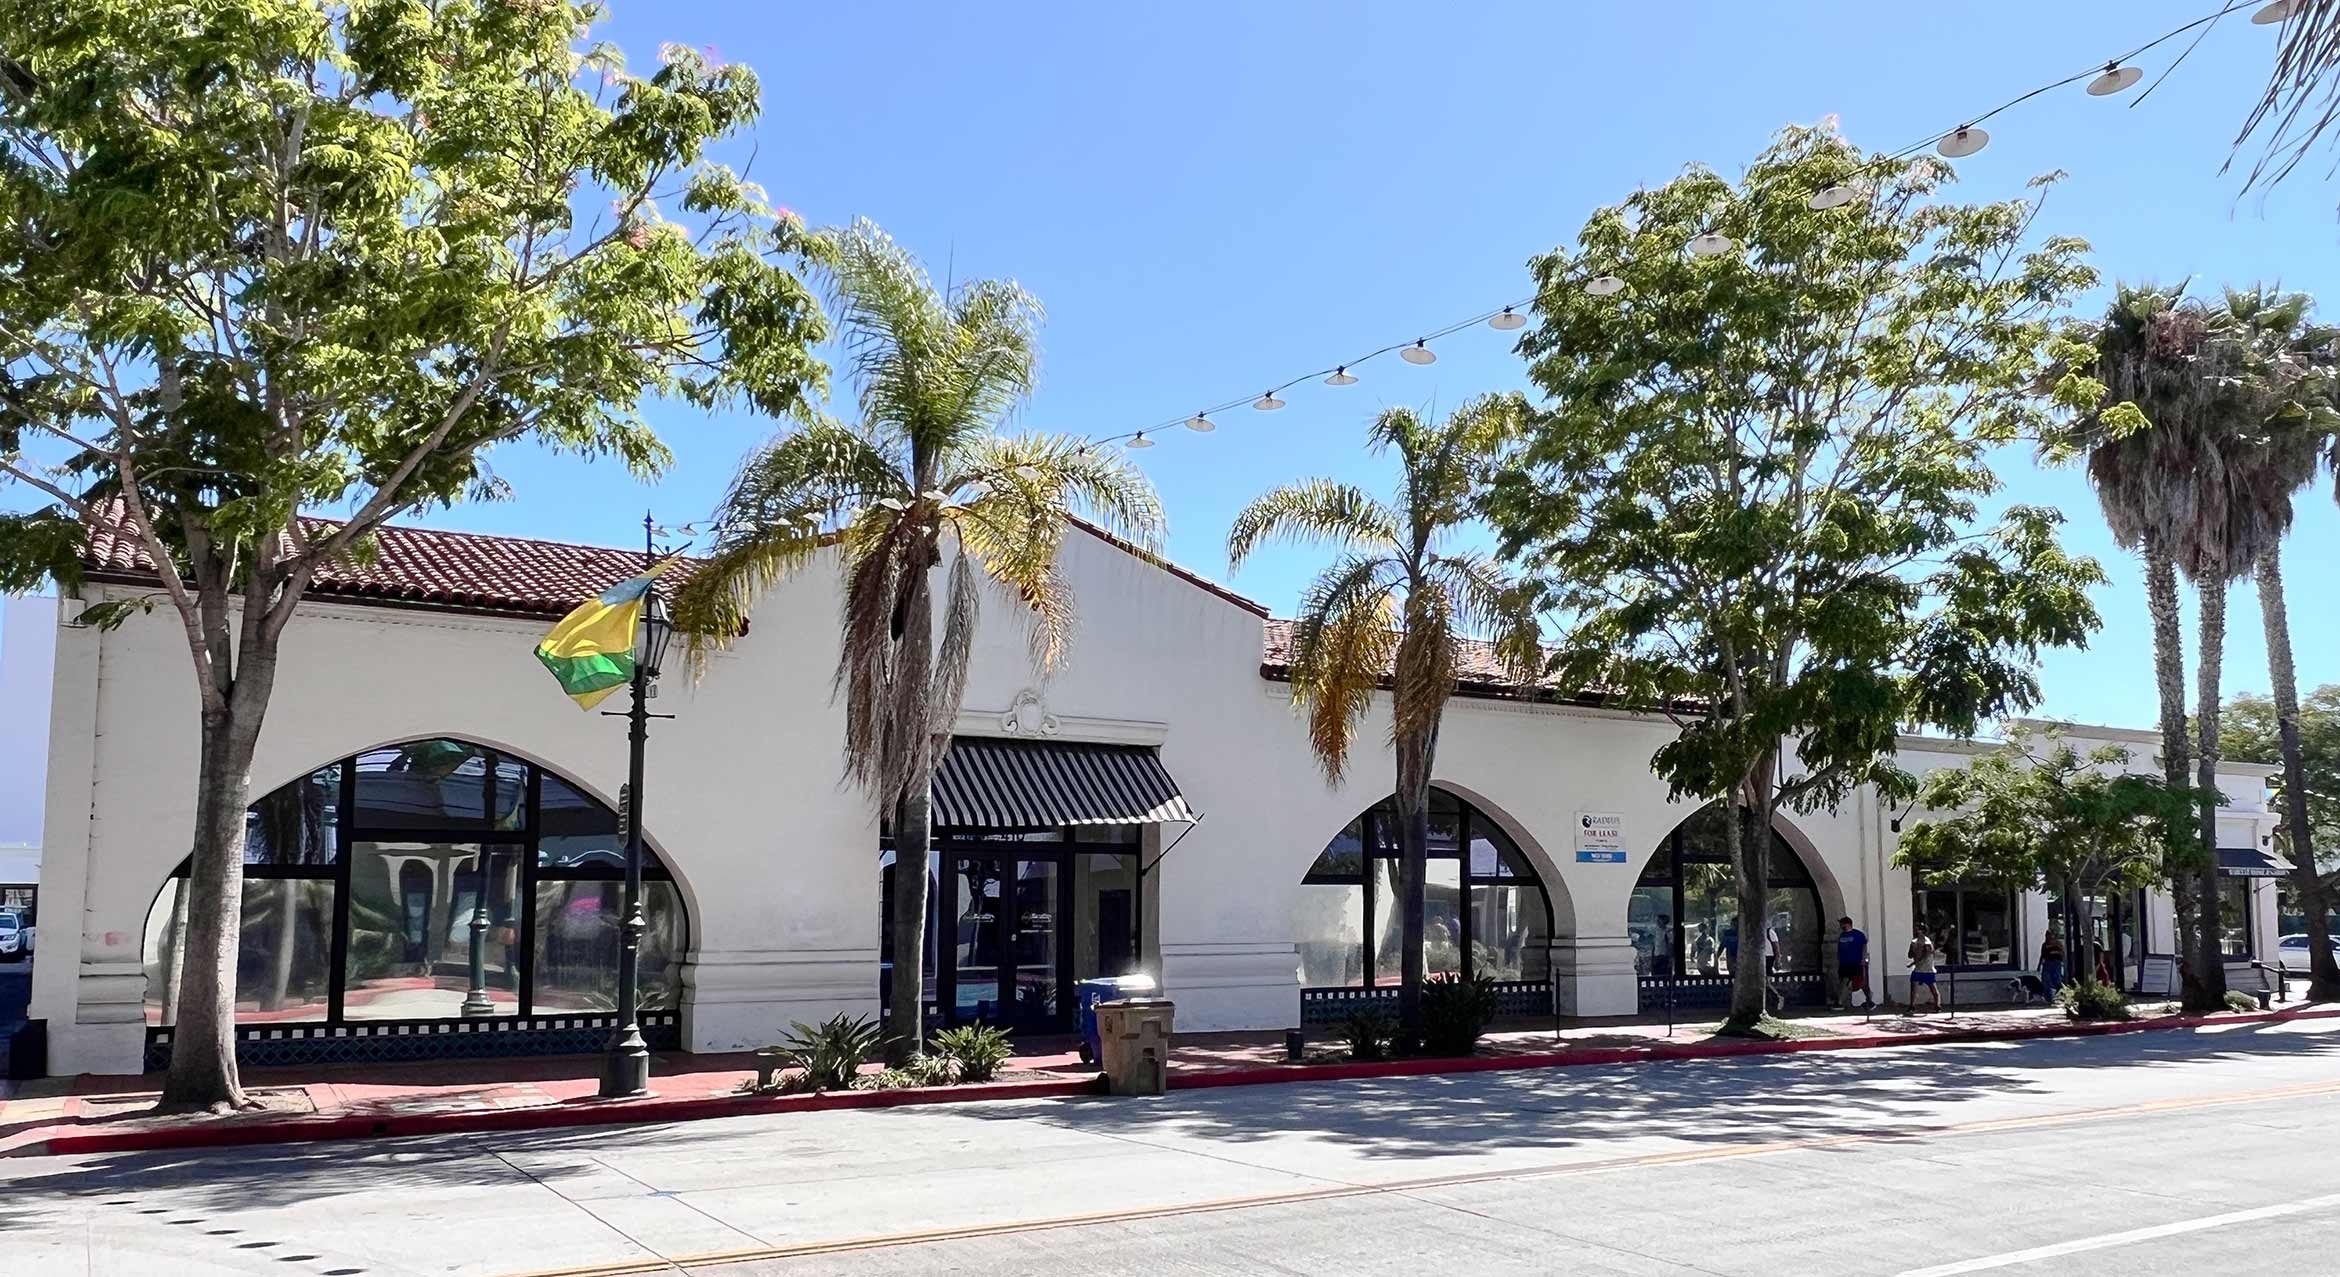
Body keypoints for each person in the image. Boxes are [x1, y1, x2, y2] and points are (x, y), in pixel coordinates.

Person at [1836, 915, 1873, 1011]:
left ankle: (1869, 1000)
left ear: (1847, 924)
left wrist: (1863, 959)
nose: (1840, 926)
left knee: (1860, 983)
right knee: (1844, 981)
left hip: (1855, 962)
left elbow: (1864, 946)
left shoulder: (1858, 934)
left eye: (1842, 924)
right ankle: (1840, 1002)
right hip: (1844, 963)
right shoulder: (1842, 936)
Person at [1908, 922, 1942, 1013]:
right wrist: (1913, 951)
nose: (1915, 930)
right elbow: (1910, 954)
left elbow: (1927, 954)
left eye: (1917, 929)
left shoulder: (1927, 942)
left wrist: (1914, 962)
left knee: (1933, 988)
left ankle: (1937, 1005)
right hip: (1918, 968)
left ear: (1922, 931)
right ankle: (1912, 1005)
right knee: (1913, 986)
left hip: (1927, 969)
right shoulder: (1914, 942)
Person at [2038, 928, 2067, 1000]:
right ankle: (2048, 997)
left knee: (2057, 979)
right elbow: (2042, 955)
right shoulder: (2044, 945)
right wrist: (2039, 965)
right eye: (2047, 935)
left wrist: (2056, 953)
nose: (2049, 937)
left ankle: (2061, 994)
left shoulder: (2058, 944)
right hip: (2047, 963)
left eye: (2050, 935)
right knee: (2045, 980)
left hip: (2056, 963)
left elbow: (2062, 953)